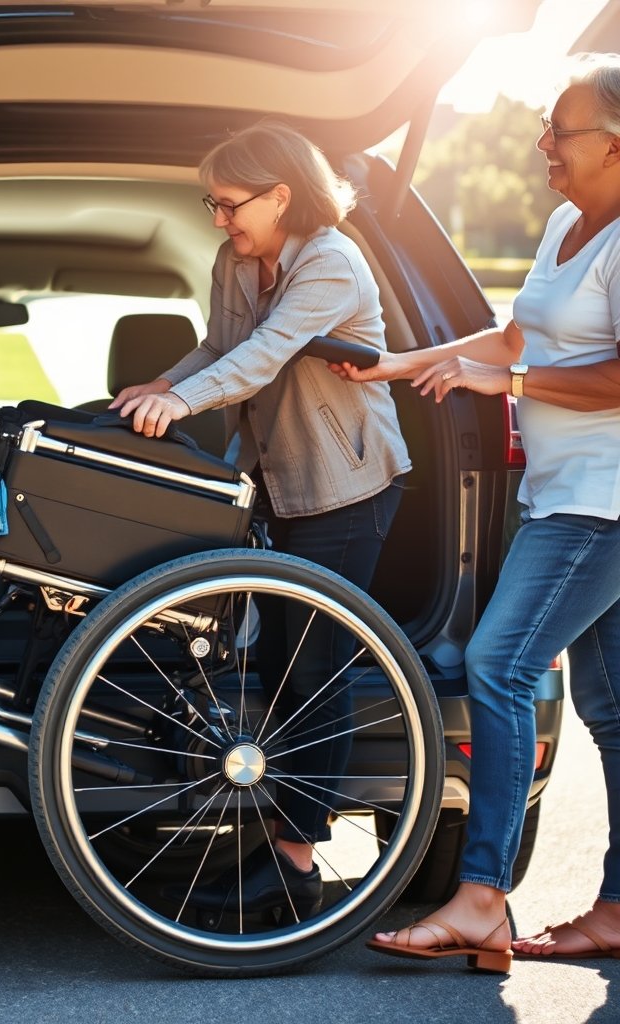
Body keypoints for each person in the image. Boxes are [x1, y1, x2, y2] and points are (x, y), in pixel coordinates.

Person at [332, 53, 620, 973]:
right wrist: (398, 364)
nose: (544, 143)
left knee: (497, 664)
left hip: (602, 506)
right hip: (559, 496)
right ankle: (618, 907)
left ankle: (483, 897)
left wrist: (514, 380)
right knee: (613, 713)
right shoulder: (569, 224)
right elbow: (509, 334)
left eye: (560, 130)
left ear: (614, 144)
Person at [110, 117, 411, 922]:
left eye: (228, 204)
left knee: (315, 674)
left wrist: (182, 402)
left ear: (282, 196)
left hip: (345, 487)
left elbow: (265, 355)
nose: (217, 220)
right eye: (211, 203)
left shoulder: (332, 264)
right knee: (275, 669)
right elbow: (218, 346)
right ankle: (276, 843)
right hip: (276, 480)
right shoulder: (238, 259)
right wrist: (154, 387)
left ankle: (298, 865)